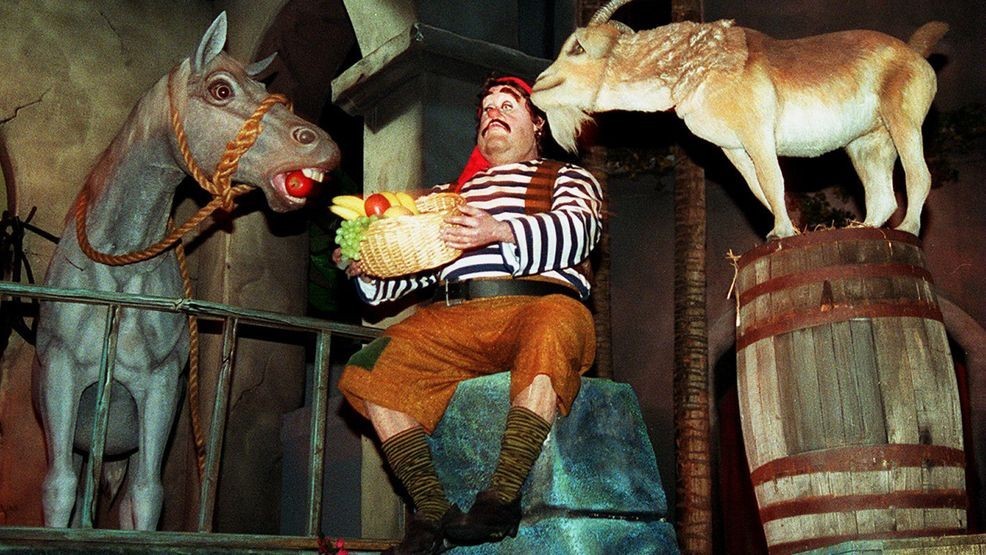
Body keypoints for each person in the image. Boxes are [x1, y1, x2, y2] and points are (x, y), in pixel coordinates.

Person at [335, 75, 603, 554]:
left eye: (509, 105)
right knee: (368, 366)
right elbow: (406, 278)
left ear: (538, 124)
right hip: (454, 318)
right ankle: (431, 511)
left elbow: (579, 231)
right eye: (486, 109)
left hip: (535, 305)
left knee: (555, 323)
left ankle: (500, 497)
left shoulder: (564, 176)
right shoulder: (448, 196)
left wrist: (498, 230)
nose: (493, 113)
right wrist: (367, 268)